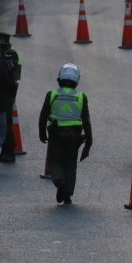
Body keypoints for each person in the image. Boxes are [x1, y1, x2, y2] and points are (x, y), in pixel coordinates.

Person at [38, 63, 92, 205]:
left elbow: (43, 116)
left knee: (55, 160)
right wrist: (89, 141)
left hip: (56, 134)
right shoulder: (81, 97)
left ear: (59, 79)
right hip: (74, 135)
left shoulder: (52, 94)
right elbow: (86, 121)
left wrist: (42, 132)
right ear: (76, 81)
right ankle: (67, 194)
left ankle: (59, 181)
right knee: (70, 164)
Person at [0, 31, 22, 162]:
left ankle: (9, 151)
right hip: (0, 91)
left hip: (7, 91)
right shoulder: (0, 54)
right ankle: (4, 150)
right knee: (0, 122)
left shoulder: (10, 54)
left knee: (7, 122)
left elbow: (6, 69)